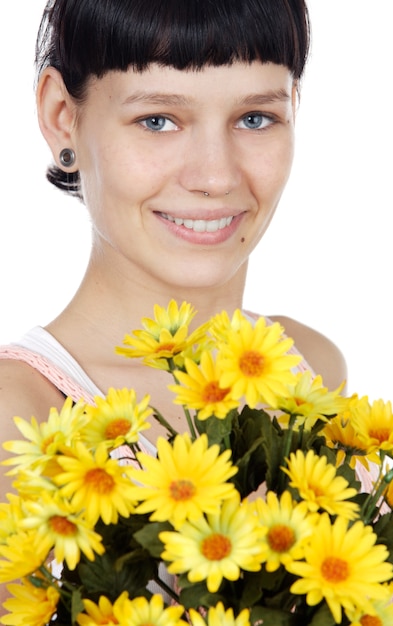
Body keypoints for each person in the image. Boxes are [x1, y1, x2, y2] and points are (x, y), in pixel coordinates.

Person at [0, 0, 346, 604]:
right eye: (158, 119)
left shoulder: (310, 366)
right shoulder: (20, 419)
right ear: (62, 117)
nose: (215, 176)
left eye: (257, 118)